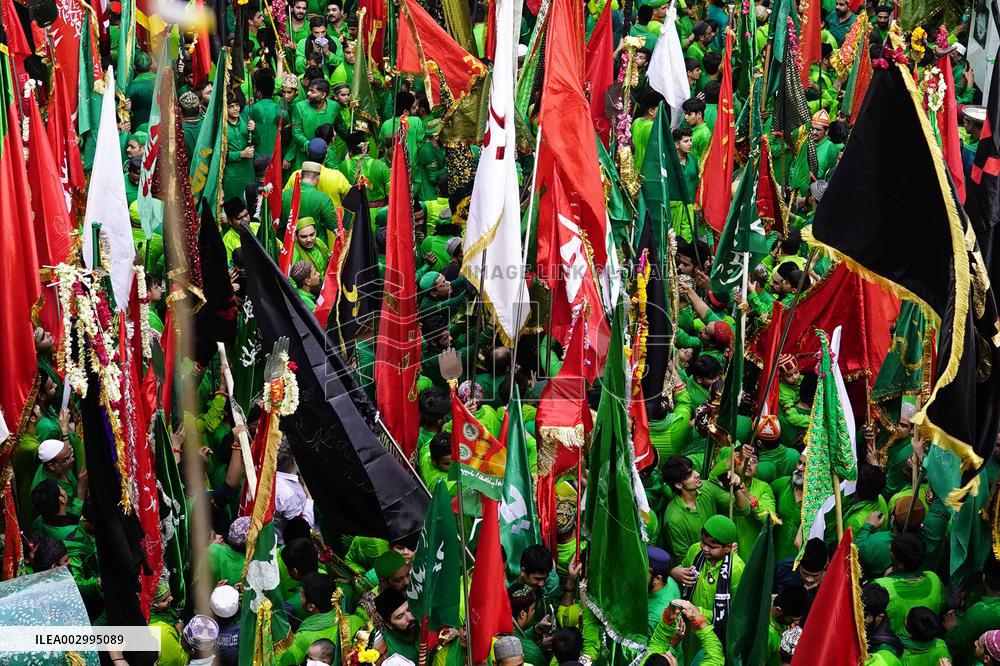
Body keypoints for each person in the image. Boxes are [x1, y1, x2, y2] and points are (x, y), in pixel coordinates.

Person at [873, 533, 945, 637]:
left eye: (891, 552)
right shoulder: (934, 579)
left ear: (900, 564)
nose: (889, 548)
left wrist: (886, 579)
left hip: (891, 648)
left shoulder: (881, 587)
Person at [372, 588, 420, 662]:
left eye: (409, 610)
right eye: (400, 617)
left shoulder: (426, 624)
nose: (410, 617)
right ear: (389, 624)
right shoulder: (386, 649)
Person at [508, 583, 547, 666]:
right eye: (533, 609)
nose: (534, 612)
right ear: (523, 614)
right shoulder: (533, 654)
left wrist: (536, 630)